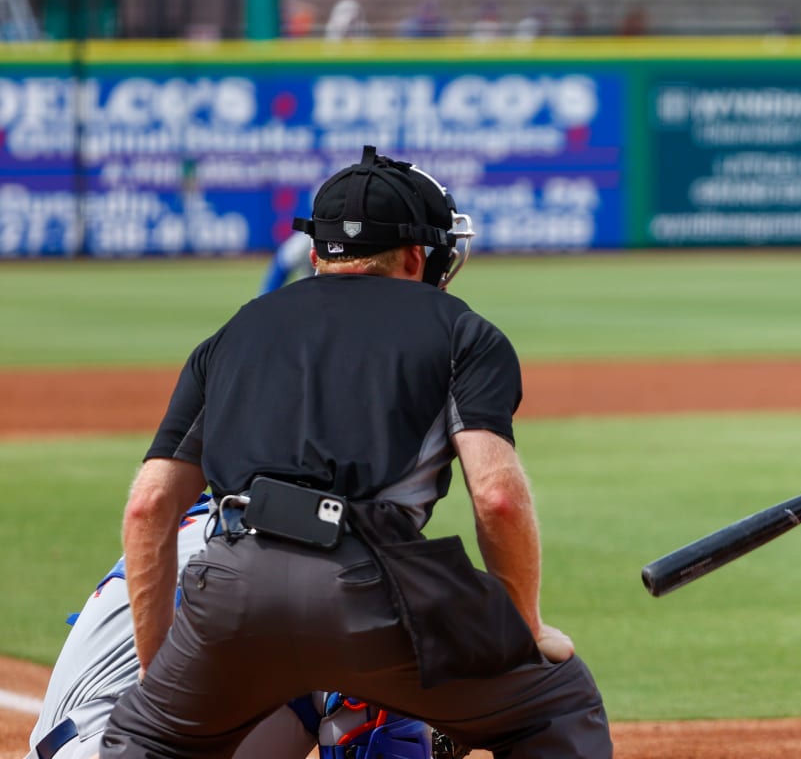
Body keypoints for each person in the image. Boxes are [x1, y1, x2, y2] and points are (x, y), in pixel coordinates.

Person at [99, 146, 612, 758]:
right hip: (372, 585)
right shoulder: (460, 329)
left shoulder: (237, 330)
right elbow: (498, 498)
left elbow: (149, 508)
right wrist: (523, 629)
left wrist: (162, 684)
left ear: (318, 254)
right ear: (421, 256)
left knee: (146, 740)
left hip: (229, 589)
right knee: (557, 703)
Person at [26, 497, 443, 759]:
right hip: (114, 745)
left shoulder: (212, 523)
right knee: (375, 671)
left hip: (91, 743)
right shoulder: (302, 545)